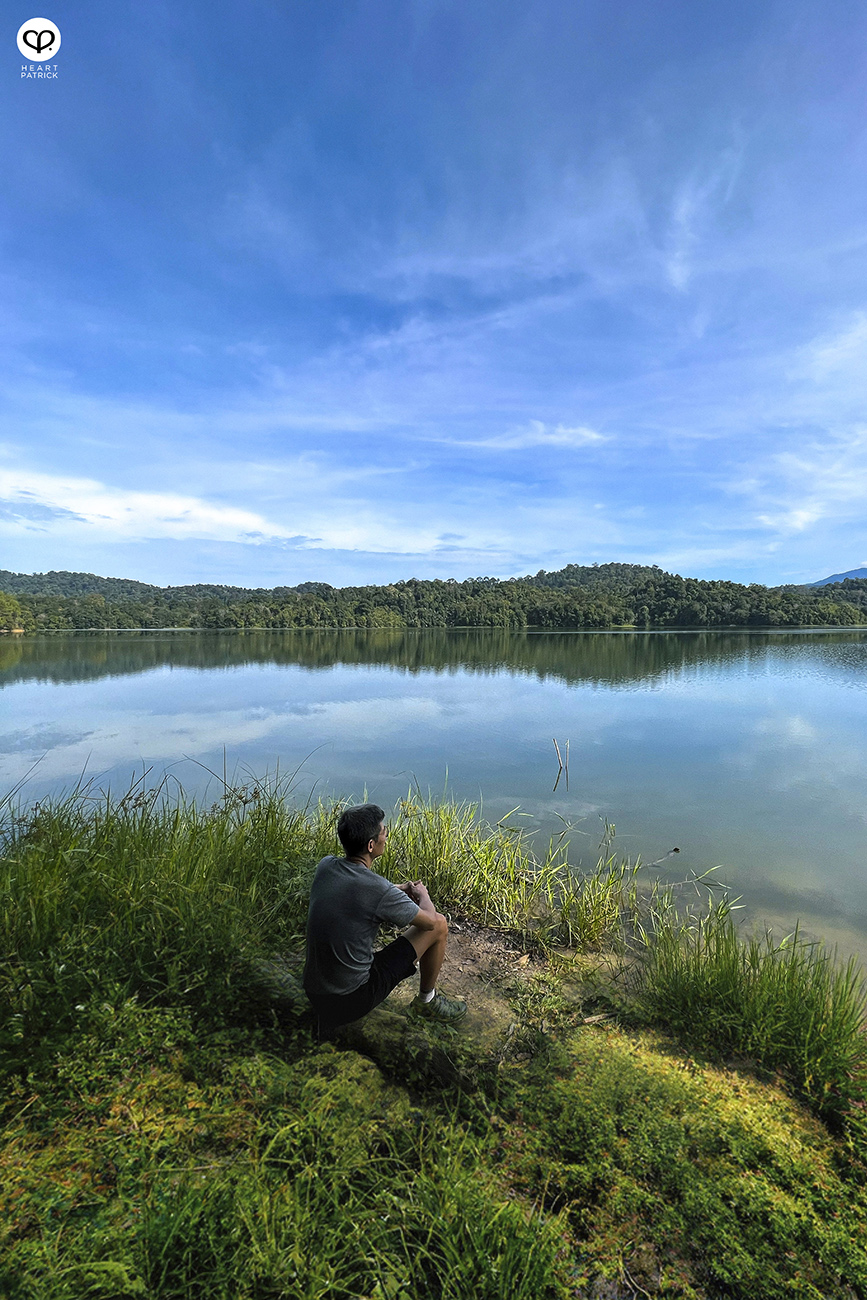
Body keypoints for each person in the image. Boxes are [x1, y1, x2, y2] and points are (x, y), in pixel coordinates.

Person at [303, 802, 467, 1035]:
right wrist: (423, 894)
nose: (386, 836)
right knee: (440, 924)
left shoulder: (326, 866)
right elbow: (429, 922)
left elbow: (364, 890)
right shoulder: (377, 890)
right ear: (371, 845)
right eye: (383, 832)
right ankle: (427, 1003)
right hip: (349, 1000)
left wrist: (398, 889)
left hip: (315, 991)